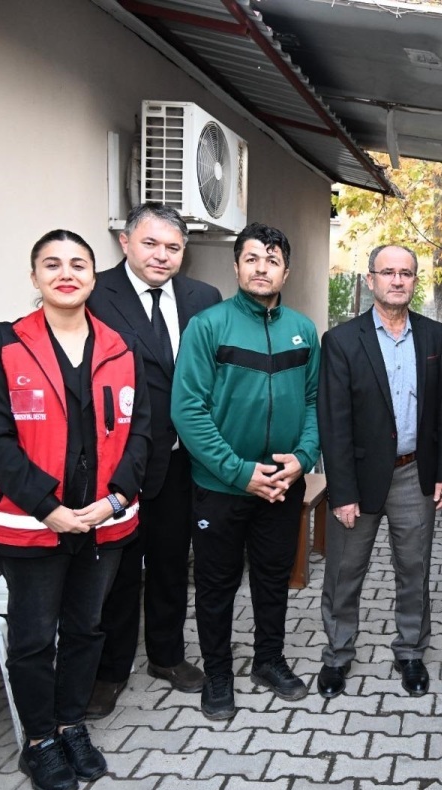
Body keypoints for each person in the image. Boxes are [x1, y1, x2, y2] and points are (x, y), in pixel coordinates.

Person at [0, 230, 151, 790]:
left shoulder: (121, 347)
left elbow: (142, 430)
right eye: (52, 264)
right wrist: (48, 508)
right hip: (31, 524)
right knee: (31, 637)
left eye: (78, 264)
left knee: (85, 628)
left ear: (94, 279)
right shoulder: (4, 343)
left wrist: (115, 498)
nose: (65, 273)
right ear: (34, 278)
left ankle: (72, 725)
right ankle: (40, 741)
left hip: (104, 520)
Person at [171, 222, 320, 721]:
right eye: (252, 258)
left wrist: (302, 458)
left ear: (286, 270)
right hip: (221, 486)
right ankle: (218, 672)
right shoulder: (208, 326)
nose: (262, 267)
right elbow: (188, 410)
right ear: (236, 266)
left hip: (282, 485)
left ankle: (268, 662)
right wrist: (239, 473)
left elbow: (317, 401)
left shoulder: (303, 329)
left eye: (272, 260)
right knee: (215, 584)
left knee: (274, 580)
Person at [85, 203, 221, 718]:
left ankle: (166, 656)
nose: (162, 256)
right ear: (125, 242)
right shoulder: (95, 293)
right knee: (116, 570)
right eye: (151, 244)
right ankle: (109, 670)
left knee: (169, 562)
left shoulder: (202, 297)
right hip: (115, 464)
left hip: (181, 460)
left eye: (173, 247)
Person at [316, 245, 442, 699]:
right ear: (371, 279)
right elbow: (333, 423)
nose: (398, 280)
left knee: (414, 569)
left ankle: (411, 651)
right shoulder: (341, 340)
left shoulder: (434, 336)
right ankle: (337, 655)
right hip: (358, 478)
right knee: (344, 571)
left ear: (415, 281)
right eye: (388, 272)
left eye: (407, 273)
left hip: (416, 474)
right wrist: (341, 492)